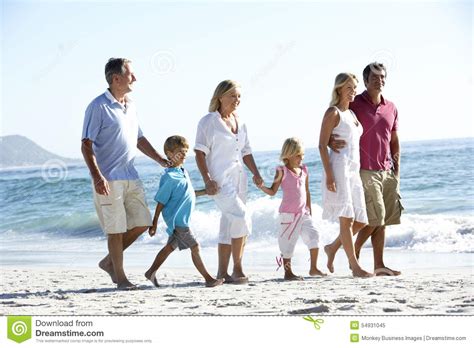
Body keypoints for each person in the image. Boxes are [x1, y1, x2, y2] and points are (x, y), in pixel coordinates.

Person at [81, 58, 169, 290]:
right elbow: (86, 144)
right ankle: (121, 278)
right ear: (116, 79)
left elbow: (139, 138)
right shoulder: (98, 106)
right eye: (131, 74)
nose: (135, 78)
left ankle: (110, 261)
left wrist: (160, 159)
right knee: (116, 229)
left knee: (142, 223)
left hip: (131, 174)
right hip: (108, 178)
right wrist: (97, 177)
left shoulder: (131, 105)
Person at [324, 63, 402, 276]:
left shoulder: (391, 107)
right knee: (375, 216)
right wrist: (330, 142)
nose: (379, 81)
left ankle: (378, 264)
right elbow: (336, 125)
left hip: (386, 169)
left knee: (382, 221)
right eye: (374, 77)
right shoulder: (354, 103)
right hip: (362, 170)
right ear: (366, 81)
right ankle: (353, 252)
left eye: (382, 77)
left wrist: (397, 169)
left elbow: (394, 139)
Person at [194, 80, 263, 284]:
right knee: (241, 217)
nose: (237, 100)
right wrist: (207, 179)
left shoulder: (240, 122)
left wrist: (256, 174)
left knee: (228, 224)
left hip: (240, 179)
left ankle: (222, 272)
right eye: (233, 95)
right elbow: (199, 152)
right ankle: (237, 267)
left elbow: (246, 151)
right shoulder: (208, 122)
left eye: (239, 96)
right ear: (220, 96)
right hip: (219, 181)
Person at [144, 136, 224, 288]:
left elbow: (188, 193)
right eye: (180, 152)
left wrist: (204, 192)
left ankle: (150, 272)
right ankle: (208, 278)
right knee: (195, 246)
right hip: (178, 221)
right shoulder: (169, 176)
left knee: (169, 248)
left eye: (186, 152)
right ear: (169, 153)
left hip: (183, 220)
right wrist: (153, 223)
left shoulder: (182, 171)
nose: (184, 155)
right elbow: (160, 201)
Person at [318, 73, 373, 278]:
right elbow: (322, 145)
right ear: (339, 89)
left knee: (361, 220)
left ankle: (332, 248)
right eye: (349, 88)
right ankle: (354, 266)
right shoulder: (333, 112)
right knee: (347, 220)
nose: (353, 91)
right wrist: (329, 175)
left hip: (353, 170)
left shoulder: (351, 114)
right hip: (339, 169)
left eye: (355, 87)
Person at [258, 138, 326, 280]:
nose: (301, 158)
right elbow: (272, 191)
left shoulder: (304, 170)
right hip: (288, 215)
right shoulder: (281, 171)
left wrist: (310, 211)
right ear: (288, 155)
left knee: (315, 236)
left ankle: (313, 268)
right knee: (287, 244)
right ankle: (288, 273)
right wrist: (261, 186)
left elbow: (307, 192)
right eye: (298, 155)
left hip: (303, 213)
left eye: (302, 155)